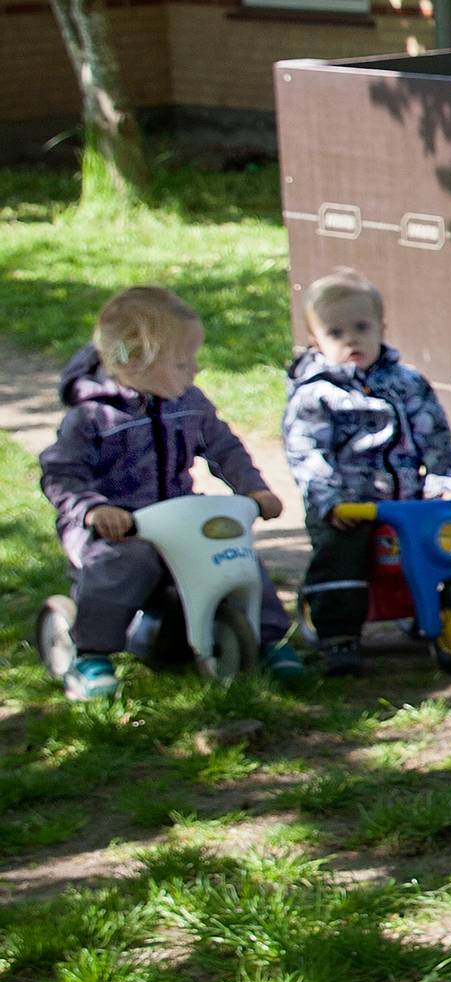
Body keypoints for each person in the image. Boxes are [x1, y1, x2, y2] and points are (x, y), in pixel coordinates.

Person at [40, 286, 304, 700]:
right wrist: (94, 509)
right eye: (182, 362)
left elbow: (224, 448)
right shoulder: (92, 416)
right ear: (135, 360)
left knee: (234, 552)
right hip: (118, 526)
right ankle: (91, 653)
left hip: (178, 518)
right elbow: (61, 473)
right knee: (122, 563)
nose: (194, 370)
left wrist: (253, 488)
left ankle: (265, 636)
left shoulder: (188, 403)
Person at [281, 268, 451, 676]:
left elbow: (436, 441)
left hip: (410, 502)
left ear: (381, 328)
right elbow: (308, 453)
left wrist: (445, 487)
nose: (351, 339)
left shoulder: (407, 383)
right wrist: (330, 500)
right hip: (352, 507)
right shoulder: (316, 394)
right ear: (315, 341)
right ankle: (339, 635)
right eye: (336, 332)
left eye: (361, 327)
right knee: (342, 554)